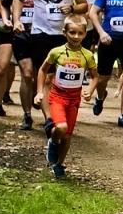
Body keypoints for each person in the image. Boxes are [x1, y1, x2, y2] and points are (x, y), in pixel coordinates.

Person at [15, 0, 89, 132]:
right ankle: (50, 120)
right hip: (41, 35)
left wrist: (72, 9)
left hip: (65, 37)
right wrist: (16, 20)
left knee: (60, 79)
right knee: (46, 78)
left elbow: (84, 5)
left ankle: (55, 112)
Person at [36, 14, 95, 179]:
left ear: (85, 34)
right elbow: (42, 70)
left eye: (80, 33)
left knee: (68, 136)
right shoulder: (57, 52)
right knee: (60, 128)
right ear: (65, 32)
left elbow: (95, 76)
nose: (76, 37)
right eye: (72, 32)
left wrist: (90, 89)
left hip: (74, 99)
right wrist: (40, 91)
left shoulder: (87, 55)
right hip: (57, 97)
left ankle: (59, 164)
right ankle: (53, 143)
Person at [4, 0, 34, 118]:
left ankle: (37, 99)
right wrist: (7, 19)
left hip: (40, 34)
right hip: (20, 34)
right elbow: (3, 4)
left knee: (39, 76)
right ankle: (27, 115)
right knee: (27, 74)